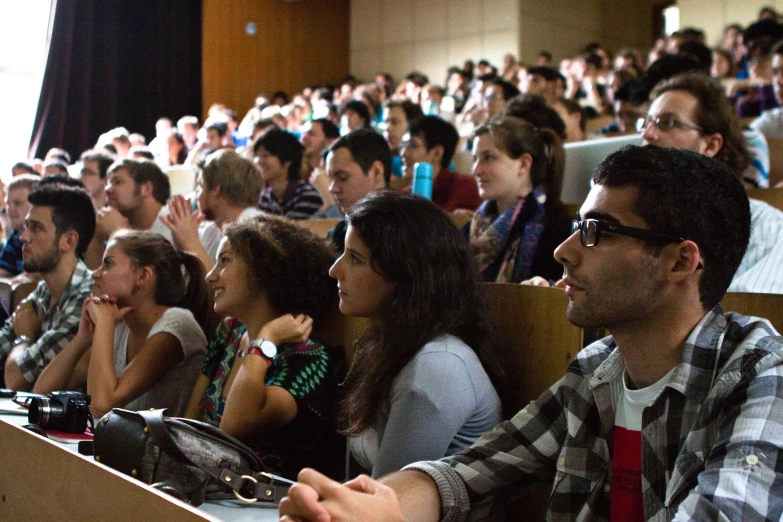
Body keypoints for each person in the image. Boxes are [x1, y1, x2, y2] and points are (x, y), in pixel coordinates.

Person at [280, 146, 783, 522]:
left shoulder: (760, 374)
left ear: (681, 261)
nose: (563, 250)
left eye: (596, 231)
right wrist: (376, 506)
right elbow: (472, 471)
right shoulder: (597, 371)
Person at [330, 191, 501, 478]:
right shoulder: (385, 343)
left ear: (405, 273)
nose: (335, 270)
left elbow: (386, 506)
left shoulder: (436, 366)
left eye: (355, 259)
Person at [184, 214, 341, 478]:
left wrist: (265, 340)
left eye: (224, 261)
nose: (211, 276)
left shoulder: (309, 359)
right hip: (198, 484)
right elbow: (189, 426)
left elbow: (233, 426)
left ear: (262, 271)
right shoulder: (230, 332)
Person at [33, 231, 210, 417]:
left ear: (143, 276)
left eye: (108, 263)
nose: (95, 274)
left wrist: (103, 324)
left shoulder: (177, 326)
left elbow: (100, 407)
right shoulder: (121, 324)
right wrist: (82, 339)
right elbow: (41, 394)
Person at [642, 72, 783, 292]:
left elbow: (747, 311)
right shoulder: (628, 222)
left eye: (667, 123)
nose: (647, 135)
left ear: (710, 145)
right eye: (646, 123)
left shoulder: (766, 226)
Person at [0, 185, 95, 390]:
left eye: (36, 228)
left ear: (68, 241)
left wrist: (24, 337)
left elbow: (16, 379)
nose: (23, 237)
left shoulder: (86, 300)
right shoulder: (44, 290)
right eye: (26, 226)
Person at [468, 116, 571, 283]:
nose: (476, 170)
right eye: (475, 159)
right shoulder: (471, 227)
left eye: (488, 157)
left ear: (524, 164)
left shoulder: (557, 230)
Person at [160, 149, 262, 272]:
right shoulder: (212, 230)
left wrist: (192, 243)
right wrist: (180, 240)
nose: (196, 196)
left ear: (216, 191)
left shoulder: (254, 231)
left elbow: (225, 288)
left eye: (200, 186)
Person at [322, 129, 390, 252]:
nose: (332, 189)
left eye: (342, 177)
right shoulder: (340, 232)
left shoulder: (404, 234)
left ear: (376, 171)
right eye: (331, 179)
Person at [400, 116, 482, 212]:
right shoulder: (407, 195)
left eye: (413, 146)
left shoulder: (467, 188)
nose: (403, 153)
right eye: (403, 146)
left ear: (437, 153)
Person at [255, 128, 323, 220]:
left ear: (287, 160)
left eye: (265, 156)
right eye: (257, 156)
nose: (259, 162)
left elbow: (294, 232)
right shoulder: (264, 198)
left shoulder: (306, 195)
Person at [0, 175, 39, 277]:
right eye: (8, 204)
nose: (10, 209)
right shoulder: (15, 236)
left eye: (18, 203)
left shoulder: (41, 238)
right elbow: (4, 269)